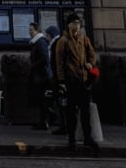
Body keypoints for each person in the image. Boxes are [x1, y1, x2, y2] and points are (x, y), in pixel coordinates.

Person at [53, 13, 98, 153]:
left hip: (83, 81)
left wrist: (90, 63)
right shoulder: (63, 41)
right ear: (69, 25)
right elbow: (59, 63)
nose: (77, 25)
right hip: (70, 81)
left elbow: (92, 54)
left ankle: (87, 137)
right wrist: (61, 81)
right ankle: (71, 138)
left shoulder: (84, 39)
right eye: (74, 23)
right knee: (71, 112)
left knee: (85, 112)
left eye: (78, 23)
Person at [27, 21, 56, 130]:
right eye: (29, 30)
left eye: (31, 30)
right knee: (39, 98)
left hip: (41, 76)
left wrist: (34, 66)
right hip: (39, 75)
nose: (29, 32)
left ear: (37, 31)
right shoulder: (36, 42)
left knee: (40, 98)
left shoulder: (40, 42)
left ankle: (46, 120)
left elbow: (44, 58)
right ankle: (45, 119)